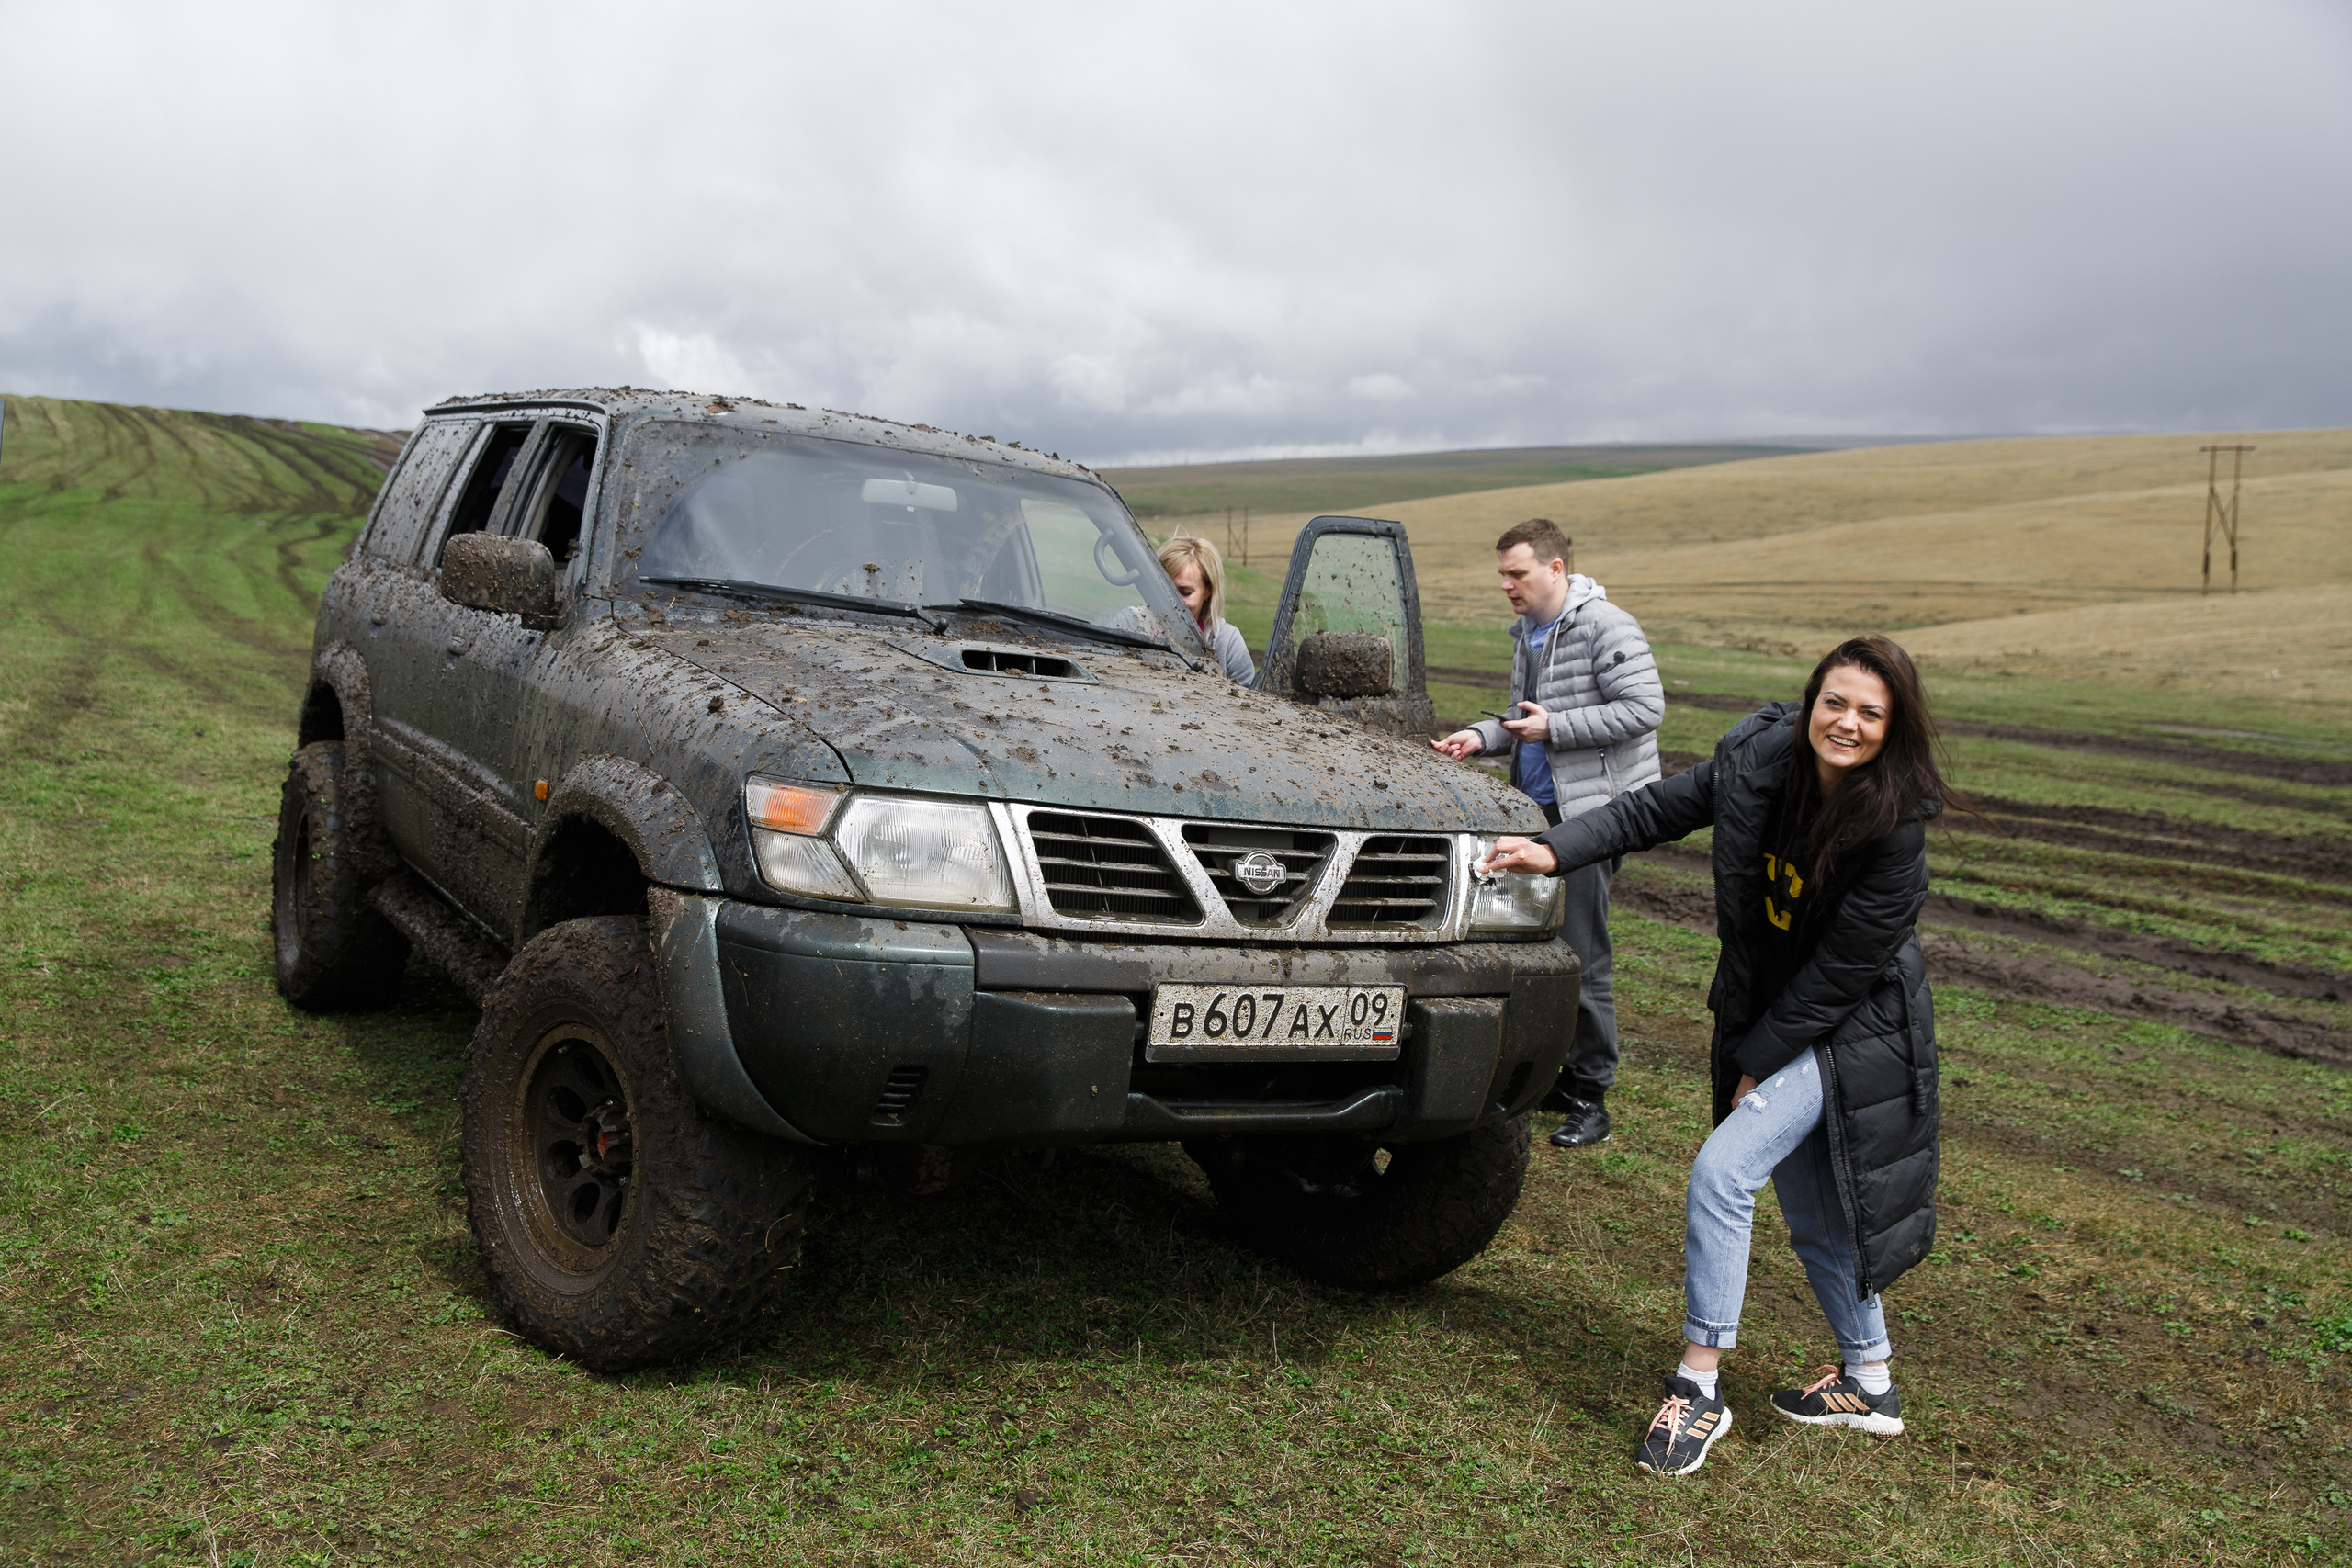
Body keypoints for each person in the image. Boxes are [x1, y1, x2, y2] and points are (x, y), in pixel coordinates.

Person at [1478, 636, 1950, 1478]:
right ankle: (1870, 1380)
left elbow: (1841, 975)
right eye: (1834, 703)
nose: (1847, 723)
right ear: (1810, 702)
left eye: (1870, 713)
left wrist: (1757, 1059)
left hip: (1849, 1027)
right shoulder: (1759, 761)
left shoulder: (1895, 830)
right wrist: (1556, 848)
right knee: (1809, 1206)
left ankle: (1699, 1387)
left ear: (1895, 726)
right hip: (1773, 1007)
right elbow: (1654, 808)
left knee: (1723, 1173)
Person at [1431, 518, 1662, 1150]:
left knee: (1581, 950)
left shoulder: (1605, 624)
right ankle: (1556, 1074)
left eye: (1518, 573)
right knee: (1536, 940)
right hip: (1537, 811)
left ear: (1555, 569)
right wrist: (1483, 736)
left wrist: (1554, 725)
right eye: (1502, 574)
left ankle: (1591, 1092)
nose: (1507, 584)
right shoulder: (1531, 631)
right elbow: (1523, 718)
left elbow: (1645, 709)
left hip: (1591, 813)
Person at [1158, 536, 1256, 682]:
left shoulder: (1227, 644)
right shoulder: (1130, 625)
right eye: (1165, 589)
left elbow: (1250, 700)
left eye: (1185, 592)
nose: (1173, 601)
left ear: (1208, 591)